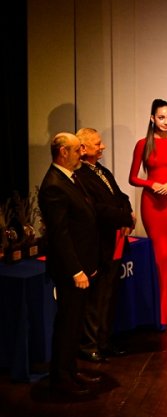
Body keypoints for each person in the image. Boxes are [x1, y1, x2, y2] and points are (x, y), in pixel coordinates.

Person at [38, 132, 102, 397]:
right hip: (69, 270)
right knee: (67, 323)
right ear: (63, 152)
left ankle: (70, 370)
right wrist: (76, 270)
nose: (81, 154)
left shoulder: (70, 178)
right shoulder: (54, 185)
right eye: (77, 150)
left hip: (82, 264)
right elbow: (60, 235)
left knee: (75, 323)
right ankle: (61, 379)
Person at [128, 99, 167, 327]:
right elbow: (133, 177)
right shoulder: (142, 144)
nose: (166, 121)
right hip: (151, 204)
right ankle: (160, 312)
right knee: (158, 256)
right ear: (152, 118)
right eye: (162, 117)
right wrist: (151, 184)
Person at [74, 128, 135, 362]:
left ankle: (104, 341)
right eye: (98, 144)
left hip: (113, 241)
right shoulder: (80, 176)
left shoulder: (101, 170)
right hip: (97, 243)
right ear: (83, 148)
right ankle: (89, 344)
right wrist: (125, 217)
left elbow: (121, 197)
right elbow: (97, 209)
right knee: (96, 297)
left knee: (109, 295)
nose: (103, 147)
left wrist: (128, 214)